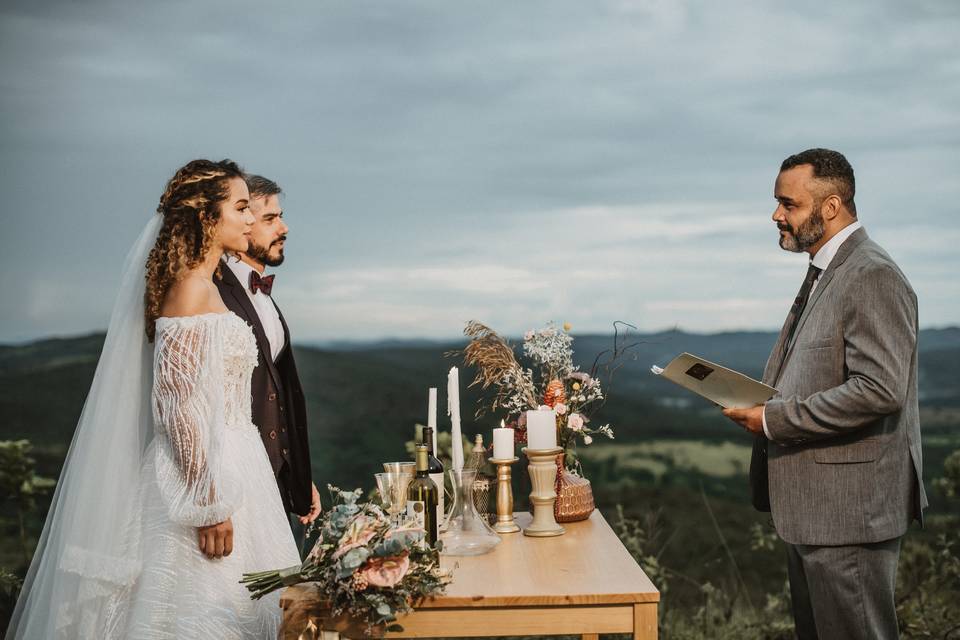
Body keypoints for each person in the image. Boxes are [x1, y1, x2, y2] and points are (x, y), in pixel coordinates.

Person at [7, 159, 301, 639]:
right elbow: (178, 406)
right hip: (206, 479)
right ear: (207, 216)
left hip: (239, 464)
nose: (251, 219)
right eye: (242, 207)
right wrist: (208, 505)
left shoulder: (205, 287)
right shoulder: (189, 289)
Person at [723, 148, 927, 639]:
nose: (776, 215)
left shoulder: (871, 274)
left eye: (787, 204)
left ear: (830, 207)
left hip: (849, 517)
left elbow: (879, 389)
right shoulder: (825, 272)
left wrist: (772, 420)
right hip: (814, 514)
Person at [214, 174, 321, 524]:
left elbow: (278, 394)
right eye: (270, 219)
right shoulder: (213, 293)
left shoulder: (264, 299)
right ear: (243, 224)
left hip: (271, 482)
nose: (284, 227)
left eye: (281, 216)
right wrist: (211, 501)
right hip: (229, 486)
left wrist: (299, 476)